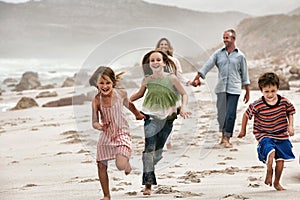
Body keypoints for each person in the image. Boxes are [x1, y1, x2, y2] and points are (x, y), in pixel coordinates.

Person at [130, 50, 191, 195]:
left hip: (168, 120)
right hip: (150, 118)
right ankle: (148, 185)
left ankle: (152, 161)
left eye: (158, 60)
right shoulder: (147, 80)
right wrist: (127, 100)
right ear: (149, 64)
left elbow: (184, 93)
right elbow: (139, 94)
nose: (155, 62)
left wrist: (183, 107)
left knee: (156, 153)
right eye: (152, 60)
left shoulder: (172, 79)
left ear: (164, 62)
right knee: (149, 150)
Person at [89, 66, 145, 200]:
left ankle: (126, 163)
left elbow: (130, 105)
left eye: (108, 82)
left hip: (121, 132)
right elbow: (94, 122)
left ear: (113, 82)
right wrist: (100, 126)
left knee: (120, 165)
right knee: (101, 165)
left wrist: (137, 114)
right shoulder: (96, 100)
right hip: (106, 134)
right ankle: (106, 195)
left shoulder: (121, 94)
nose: (105, 86)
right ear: (96, 83)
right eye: (101, 83)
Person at [192, 29, 250, 148]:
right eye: (223, 38)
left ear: (233, 39)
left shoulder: (240, 56)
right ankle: (223, 136)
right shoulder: (218, 54)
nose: (224, 40)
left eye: (227, 38)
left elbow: (245, 75)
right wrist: (197, 77)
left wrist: (247, 92)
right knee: (221, 115)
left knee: (230, 114)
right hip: (221, 89)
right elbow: (207, 65)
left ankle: (227, 138)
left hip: (234, 89)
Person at [238, 72, 296, 190]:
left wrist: (291, 126)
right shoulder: (257, 104)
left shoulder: (284, 102)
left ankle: (277, 182)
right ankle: (269, 168)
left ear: (278, 88)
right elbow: (246, 115)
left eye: (273, 91)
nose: (270, 94)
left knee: (280, 161)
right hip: (264, 134)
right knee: (271, 152)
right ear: (261, 90)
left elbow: (290, 112)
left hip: (281, 135)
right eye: (267, 91)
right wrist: (243, 130)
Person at [156, 37, 191, 149]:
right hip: (158, 92)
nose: (163, 46)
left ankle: (168, 141)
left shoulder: (174, 61)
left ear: (169, 47)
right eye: (161, 44)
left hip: (171, 92)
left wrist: (188, 82)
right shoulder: (155, 59)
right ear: (158, 46)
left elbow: (179, 75)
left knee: (169, 119)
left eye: (166, 44)